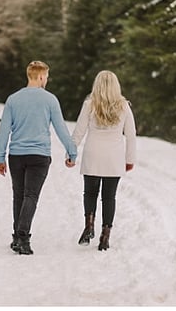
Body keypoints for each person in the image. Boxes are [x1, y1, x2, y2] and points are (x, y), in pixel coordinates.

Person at [0, 60, 78, 255]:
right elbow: (61, 128)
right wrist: (71, 151)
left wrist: (0, 157)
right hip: (39, 156)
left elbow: (3, 131)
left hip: (16, 156)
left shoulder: (13, 99)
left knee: (19, 196)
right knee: (31, 196)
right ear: (41, 76)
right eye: (47, 77)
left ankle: (17, 237)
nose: (47, 80)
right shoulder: (50, 100)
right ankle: (23, 237)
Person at [70, 70, 137, 251]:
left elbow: (79, 131)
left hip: (93, 154)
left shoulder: (89, 105)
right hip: (113, 159)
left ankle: (89, 225)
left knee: (90, 193)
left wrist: (71, 152)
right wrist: (130, 159)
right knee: (109, 197)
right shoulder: (124, 106)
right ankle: (105, 236)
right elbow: (131, 135)